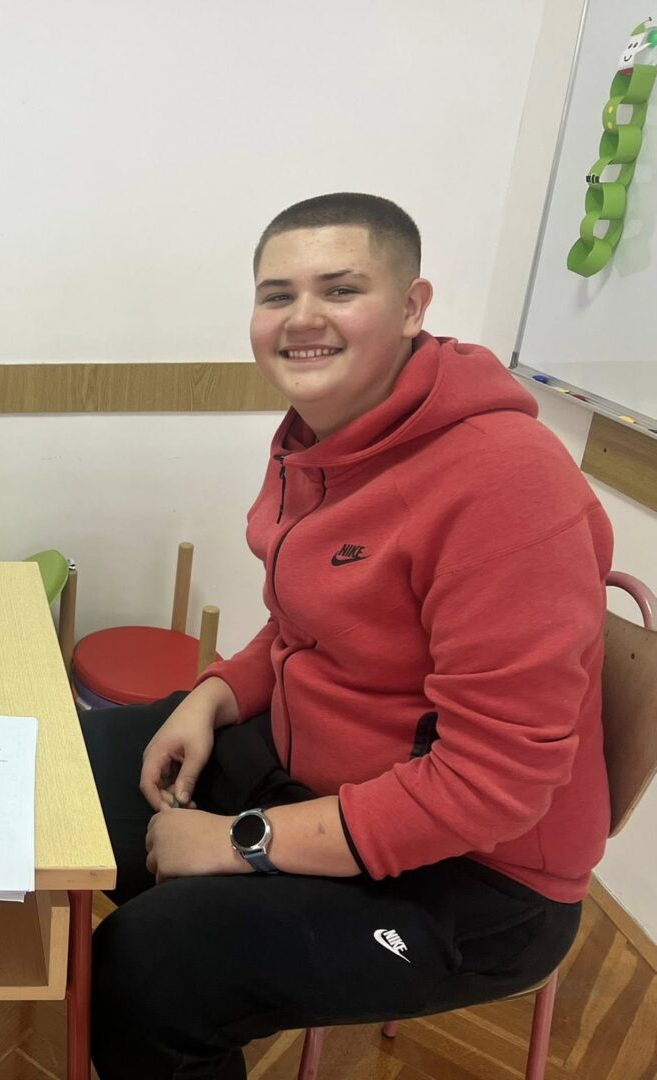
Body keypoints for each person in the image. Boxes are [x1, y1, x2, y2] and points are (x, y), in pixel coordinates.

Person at [81, 193, 613, 1080]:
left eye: (339, 290)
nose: (302, 319)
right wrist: (212, 696)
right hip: (315, 777)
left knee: (148, 972)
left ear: (411, 307)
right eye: (277, 295)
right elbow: (306, 625)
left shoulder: (508, 485)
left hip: (473, 877)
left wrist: (240, 842)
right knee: (62, 779)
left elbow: (492, 787)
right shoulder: (318, 439)